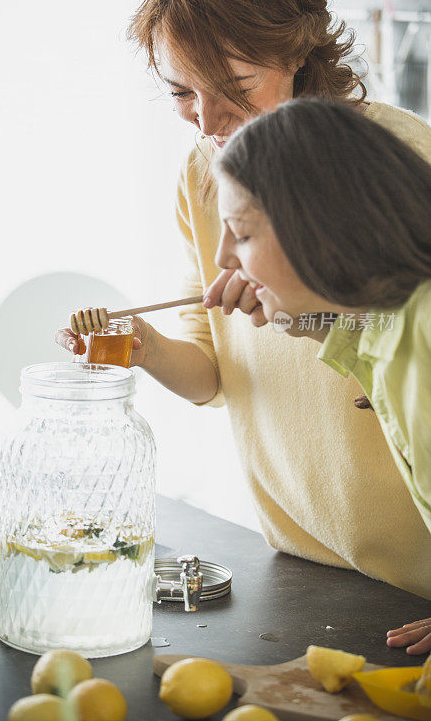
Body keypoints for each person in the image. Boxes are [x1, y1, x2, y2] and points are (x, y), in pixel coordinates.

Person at [56, 0, 431, 643]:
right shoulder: (204, 179)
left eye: (232, 88)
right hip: (304, 559)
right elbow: (212, 376)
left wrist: (316, 318)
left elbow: (407, 340)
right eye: (177, 92)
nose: (205, 119)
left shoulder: (395, 161)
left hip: (414, 585)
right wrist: (145, 347)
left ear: (296, 49)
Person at [212, 96, 431, 652]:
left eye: (240, 232)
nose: (222, 260)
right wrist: (307, 320)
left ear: (317, 224)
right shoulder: (395, 319)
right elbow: (368, 338)